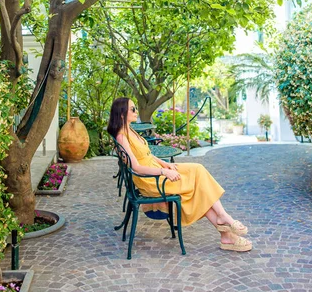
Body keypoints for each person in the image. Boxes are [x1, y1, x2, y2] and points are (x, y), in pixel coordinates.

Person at [107, 97, 252, 252]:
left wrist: (166, 164)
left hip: (156, 170)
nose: (136, 111)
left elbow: (147, 155)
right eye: (133, 109)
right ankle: (226, 230)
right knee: (198, 188)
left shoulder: (131, 130)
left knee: (198, 169)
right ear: (122, 114)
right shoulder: (122, 137)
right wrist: (164, 172)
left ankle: (224, 224)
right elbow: (136, 166)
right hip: (150, 180)